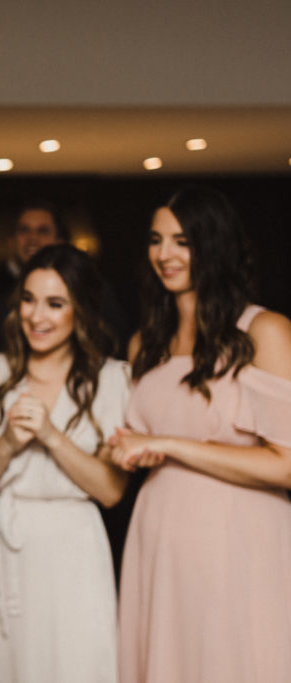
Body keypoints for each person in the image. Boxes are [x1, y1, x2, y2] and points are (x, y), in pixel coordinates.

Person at [111, 186, 291, 683]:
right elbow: (142, 436)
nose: (163, 254)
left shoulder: (265, 331)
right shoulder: (145, 342)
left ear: (215, 245)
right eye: (156, 239)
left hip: (238, 534)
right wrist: (130, 450)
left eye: (182, 241)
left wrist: (167, 445)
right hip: (159, 532)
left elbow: (286, 463)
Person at [0, 243, 129, 683]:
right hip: (4, 546)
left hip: (75, 548)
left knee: (79, 664)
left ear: (80, 310)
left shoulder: (112, 379)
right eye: (28, 300)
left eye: (55, 303)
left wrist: (50, 436)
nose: (36, 316)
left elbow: (110, 489)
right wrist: (8, 441)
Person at [0, 201, 69, 357]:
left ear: (59, 242)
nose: (32, 238)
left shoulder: (81, 287)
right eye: (24, 230)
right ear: (12, 241)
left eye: (42, 231)